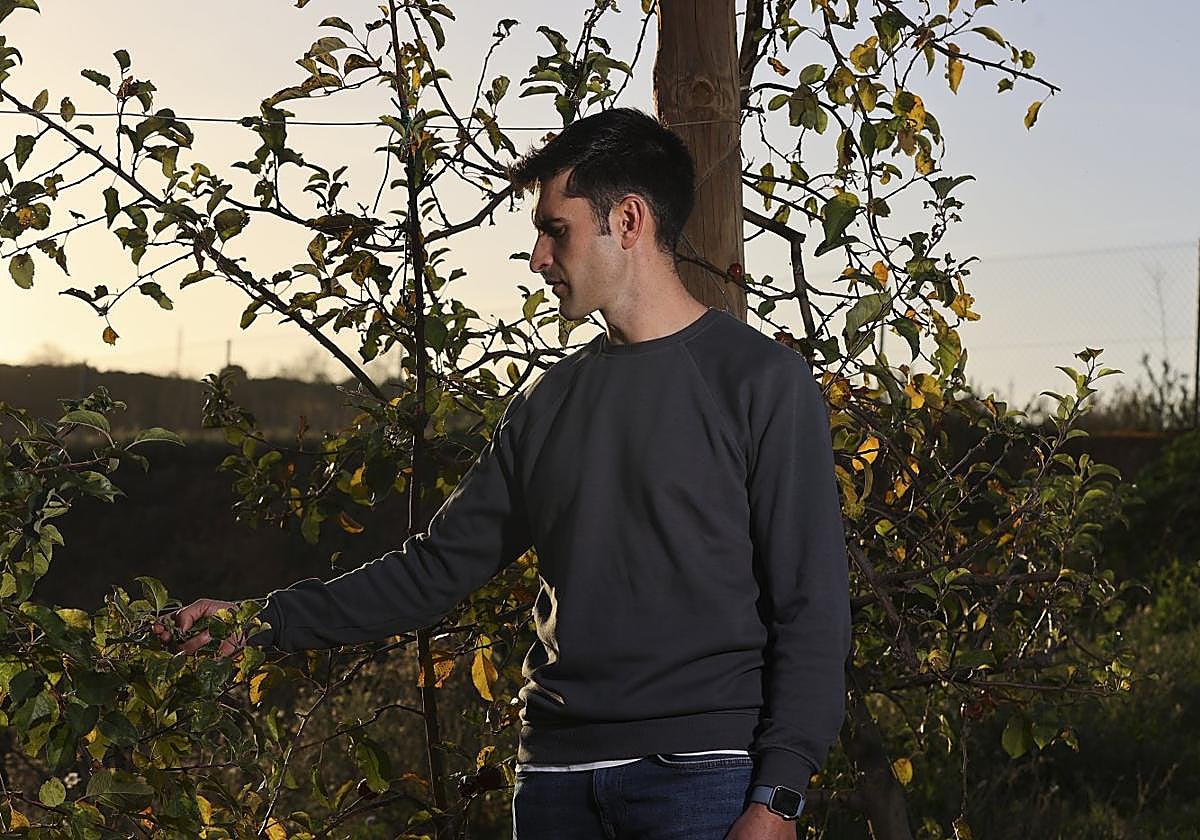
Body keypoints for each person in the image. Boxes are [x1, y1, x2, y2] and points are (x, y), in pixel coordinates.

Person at [159, 107, 850, 840]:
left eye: (556, 231)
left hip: (703, 780)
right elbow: (432, 571)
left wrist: (779, 795)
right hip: (554, 785)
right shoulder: (546, 403)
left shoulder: (760, 382)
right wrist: (261, 621)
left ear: (628, 221)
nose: (538, 259)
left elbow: (810, 607)